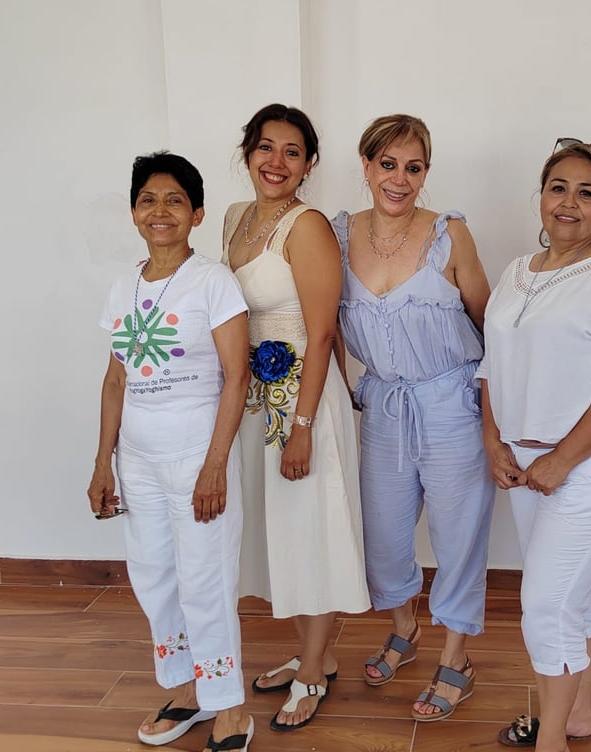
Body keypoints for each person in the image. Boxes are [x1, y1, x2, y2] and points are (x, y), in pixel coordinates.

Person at [482, 139, 591, 752]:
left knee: (544, 604)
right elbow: (489, 367)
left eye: (587, 192)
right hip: (527, 467)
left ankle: (551, 739)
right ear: (540, 196)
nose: (569, 202)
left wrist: (561, 459)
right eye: (558, 187)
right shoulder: (514, 272)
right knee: (568, 593)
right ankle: (577, 715)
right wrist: (494, 441)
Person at [88, 152, 253, 752]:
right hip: (138, 459)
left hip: (195, 457)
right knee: (155, 577)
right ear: (134, 212)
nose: (160, 212)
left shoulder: (212, 281)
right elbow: (115, 381)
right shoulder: (123, 285)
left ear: (197, 214)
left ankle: (230, 707)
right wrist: (103, 462)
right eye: (149, 200)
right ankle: (187, 692)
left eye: (175, 201)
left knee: (205, 579)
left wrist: (214, 466)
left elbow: (237, 377)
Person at [331, 114, 494, 722]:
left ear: (427, 172)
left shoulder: (451, 233)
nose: (400, 179)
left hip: (450, 401)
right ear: (367, 164)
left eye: (414, 167)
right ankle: (407, 626)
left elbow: (487, 321)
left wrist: (490, 410)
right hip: (382, 404)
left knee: (458, 536)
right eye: (388, 164)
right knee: (385, 537)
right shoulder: (340, 233)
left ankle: (457, 658)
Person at [222, 103, 370, 731]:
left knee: (312, 526)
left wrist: (304, 427)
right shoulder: (234, 218)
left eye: (291, 151)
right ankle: (319, 652)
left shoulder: (306, 227)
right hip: (257, 393)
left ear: (309, 164)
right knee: (281, 527)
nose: (275, 162)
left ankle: (313, 670)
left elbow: (322, 330)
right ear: (247, 152)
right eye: (265, 147)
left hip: (303, 397)